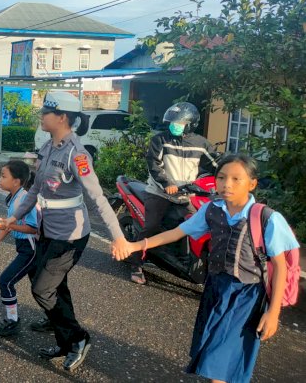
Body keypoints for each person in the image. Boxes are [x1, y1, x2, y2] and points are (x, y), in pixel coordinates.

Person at [113, 154, 298, 383]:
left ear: (252, 183)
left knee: (218, 358)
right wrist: (138, 244)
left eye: (236, 179)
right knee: (216, 352)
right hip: (216, 289)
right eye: (221, 177)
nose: (226, 184)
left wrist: (273, 312)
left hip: (246, 296)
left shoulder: (266, 218)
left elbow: (280, 266)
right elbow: (178, 232)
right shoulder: (212, 210)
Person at [2, 91, 129, 372]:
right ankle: (63, 340)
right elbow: (35, 190)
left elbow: (97, 197)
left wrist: (118, 236)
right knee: (51, 282)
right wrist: (16, 217)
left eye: (45, 112)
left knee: (42, 288)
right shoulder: (48, 148)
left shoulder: (77, 155)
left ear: (62, 118)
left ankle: (78, 338)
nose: (41, 117)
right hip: (48, 229)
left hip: (71, 235)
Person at [128, 102, 218, 285]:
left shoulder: (201, 144)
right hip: (160, 193)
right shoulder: (160, 140)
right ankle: (136, 264)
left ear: (191, 124)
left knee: (197, 225)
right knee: (151, 226)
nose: (173, 126)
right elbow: (154, 164)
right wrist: (167, 183)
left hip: (186, 194)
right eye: (171, 122)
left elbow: (216, 164)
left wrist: (231, 174)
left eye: (178, 123)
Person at [0, 160, 39, 337]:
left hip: (31, 249)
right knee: (41, 288)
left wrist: (8, 227)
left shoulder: (25, 199)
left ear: (16, 181)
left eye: (3, 176)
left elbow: (33, 228)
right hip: (25, 247)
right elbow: (8, 224)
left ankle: (13, 321)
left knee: (5, 281)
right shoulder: (13, 198)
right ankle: (55, 319)